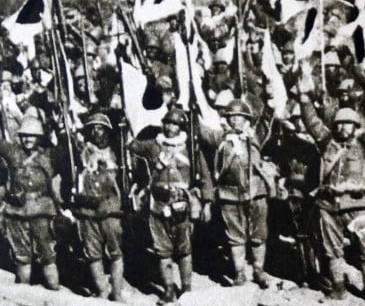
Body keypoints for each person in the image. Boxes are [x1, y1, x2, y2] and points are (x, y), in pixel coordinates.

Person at [298, 88, 365, 303]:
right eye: (339, 123)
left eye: (348, 123)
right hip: (329, 205)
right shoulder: (327, 143)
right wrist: (305, 99)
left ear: (356, 127)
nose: (343, 127)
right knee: (332, 251)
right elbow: (312, 122)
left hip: (357, 205)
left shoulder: (363, 145)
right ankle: (338, 288)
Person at [129, 107, 211, 304]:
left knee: (184, 249)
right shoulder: (153, 146)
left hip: (182, 204)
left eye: (174, 123)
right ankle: (168, 289)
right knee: (162, 250)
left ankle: (187, 288)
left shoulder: (191, 149)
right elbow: (132, 146)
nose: (170, 127)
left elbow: (205, 177)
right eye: (167, 122)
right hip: (158, 204)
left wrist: (207, 203)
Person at [205, 98, 277, 289]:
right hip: (230, 194)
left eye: (239, 116)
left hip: (256, 192)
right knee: (235, 236)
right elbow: (201, 131)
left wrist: (269, 101)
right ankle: (239, 273)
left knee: (258, 234)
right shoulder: (220, 138)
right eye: (232, 117)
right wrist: (188, 107)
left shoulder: (255, 136)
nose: (235, 120)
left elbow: (266, 122)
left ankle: (259, 270)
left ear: (247, 119)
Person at [0, 113, 61, 290]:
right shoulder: (12, 152)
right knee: (22, 256)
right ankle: (24, 293)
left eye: (32, 135)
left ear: (39, 137)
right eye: (24, 135)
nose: (27, 139)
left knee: (48, 255)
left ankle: (55, 293)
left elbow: (53, 184)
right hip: (17, 211)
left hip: (41, 209)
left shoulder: (47, 157)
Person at [72, 112, 126, 301]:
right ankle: (102, 290)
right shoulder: (82, 152)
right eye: (93, 128)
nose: (96, 132)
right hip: (87, 209)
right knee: (92, 253)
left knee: (115, 253)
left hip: (111, 209)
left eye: (101, 128)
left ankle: (117, 293)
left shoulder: (118, 152)